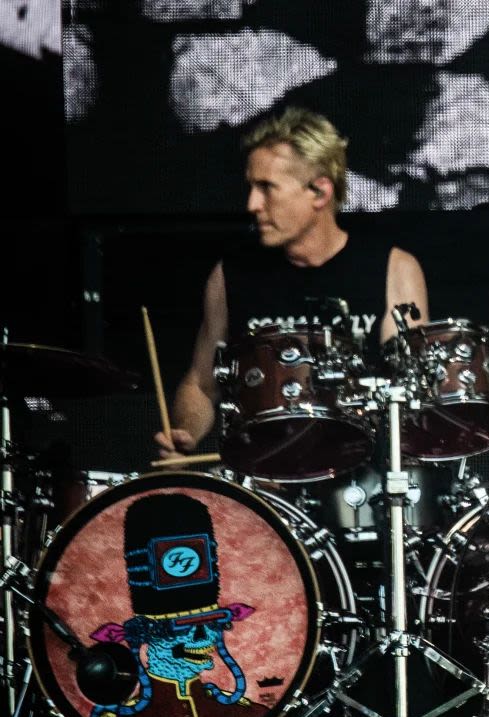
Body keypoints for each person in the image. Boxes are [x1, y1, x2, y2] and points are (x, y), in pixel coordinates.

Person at [155, 106, 428, 460]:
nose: (252, 204)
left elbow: (410, 393)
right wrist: (185, 433)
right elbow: (202, 384)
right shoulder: (232, 273)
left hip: (360, 483)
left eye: (267, 188)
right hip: (266, 481)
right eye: (251, 187)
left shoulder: (393, 269)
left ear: (319, 192)